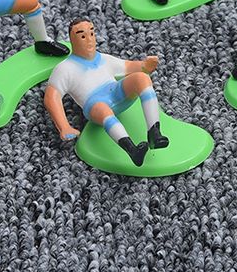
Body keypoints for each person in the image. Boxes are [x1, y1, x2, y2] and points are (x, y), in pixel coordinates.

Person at [44, 18, 169, 167]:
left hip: (116, 91)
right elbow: (51, 97)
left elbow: (128, 66)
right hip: (95, 104)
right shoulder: (64, 69)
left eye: (92, 34)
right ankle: (132, 150)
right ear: (72, 40)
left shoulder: (103, 58)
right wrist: (64, 126)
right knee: (103, 109)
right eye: (83, 36)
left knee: (142, 78)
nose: (89, 40)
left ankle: (154, 133)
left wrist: (144, 66)